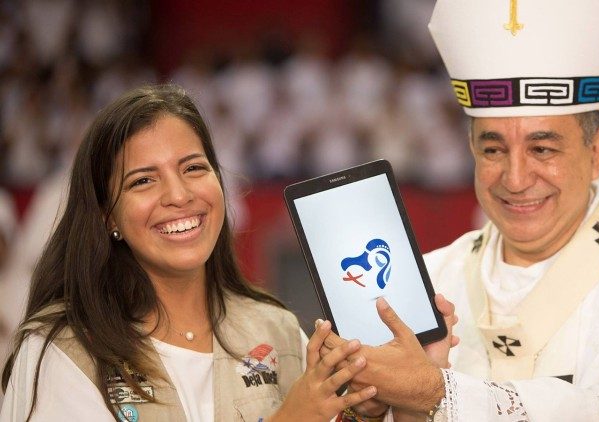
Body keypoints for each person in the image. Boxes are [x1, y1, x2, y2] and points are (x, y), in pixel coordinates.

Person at [322, 0, 599, 420]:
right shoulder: (428, 282)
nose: (516, 178)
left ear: (596, 152)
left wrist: (437, 393)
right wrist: (373, 409)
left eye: (542, 149)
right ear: (472, 150)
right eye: (493, 150)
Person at [0, 84, 378, 421]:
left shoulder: (275, 328)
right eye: (143, 180)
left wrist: (371, 409)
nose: (179, 195)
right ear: (107, 215)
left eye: (194, 168)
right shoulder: (63, 350)